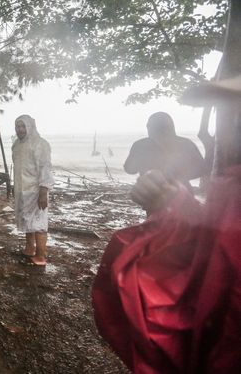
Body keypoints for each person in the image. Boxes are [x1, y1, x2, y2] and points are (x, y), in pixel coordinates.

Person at [92, 74, 241, 372]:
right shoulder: (229, 185)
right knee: (165, 257)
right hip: (172, 210)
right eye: (230, 116)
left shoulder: (226, 181)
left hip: (176, 210)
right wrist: (173, 202)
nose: (227, 132)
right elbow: (214, 257)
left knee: (163, 259)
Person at [123, 112, 207, 191]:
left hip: (154, 194)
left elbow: (129, 170)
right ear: (172, 126)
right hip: (180, 192)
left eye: (149, 126)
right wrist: (179, 176)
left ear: (149, 127)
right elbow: (202, 169)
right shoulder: (185, 143)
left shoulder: (140, 145)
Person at [11, 115, 54, 266]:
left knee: (39, 223)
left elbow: (45, 169)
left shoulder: (40, 144)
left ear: (30, 127)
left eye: (23, 126)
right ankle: (29, 249)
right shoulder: (16, 144)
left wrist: (43, 191)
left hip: (36, 191)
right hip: (22, 190)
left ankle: (41, 255)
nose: (20, 130)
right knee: (27, 221)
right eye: (18, 126)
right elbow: (17, 167)